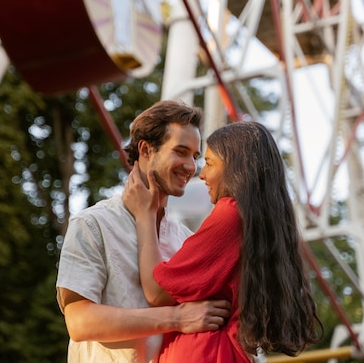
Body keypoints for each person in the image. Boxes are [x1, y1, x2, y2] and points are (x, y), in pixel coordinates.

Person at [123, 121, 323, 363]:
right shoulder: (263, 223)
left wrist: (145, 215)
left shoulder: (230, 214)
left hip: (203, 353)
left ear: (237, 168)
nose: (202, 174)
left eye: (208, 163)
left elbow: (156, 291)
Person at [56, 100, 232, 363]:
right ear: (146, 149)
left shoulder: (186, 240)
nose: (190, 166)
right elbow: (80, 323)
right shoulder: (92, 224)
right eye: (181, 151)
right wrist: (177, 318)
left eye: (195, 157)